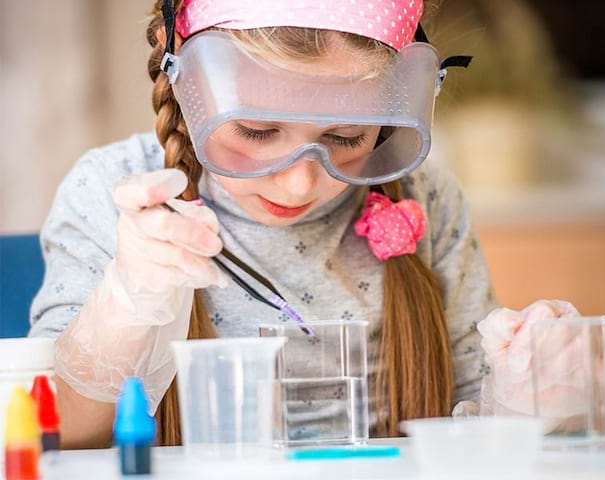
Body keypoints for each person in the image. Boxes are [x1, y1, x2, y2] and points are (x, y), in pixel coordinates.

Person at [29, 0, 495, 447]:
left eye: (346, 136)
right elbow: (59, 436)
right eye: (255, 130)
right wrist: (126, 306)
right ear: (182, 76)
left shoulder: (426, 196)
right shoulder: (112, 190)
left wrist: (529, 385)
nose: (299, 185)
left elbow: (478, 410)